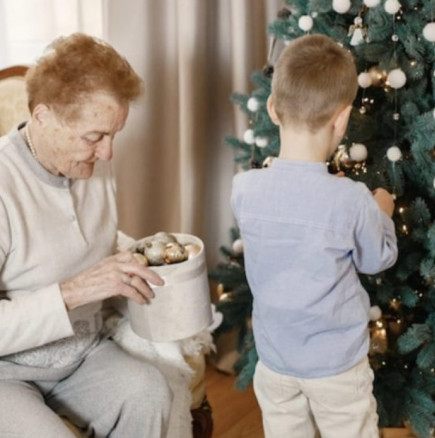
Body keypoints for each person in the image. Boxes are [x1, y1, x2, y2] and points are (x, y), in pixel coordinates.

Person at [0, 33, 172, 437]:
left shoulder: (90, 163)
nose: (108, 153)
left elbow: (100, 247)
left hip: (85, 353)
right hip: (7, 373)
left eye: (114, 134)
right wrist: (72, 292)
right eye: (95, 137)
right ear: (43, 117)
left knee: (151, 393)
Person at [231, 34, 398, 438]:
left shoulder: (244, 187)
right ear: (341, 120)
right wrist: (383, 212)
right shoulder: (353, 200)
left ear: (272, 108)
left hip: (275, 361)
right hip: (336, 366)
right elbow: (377, 259)